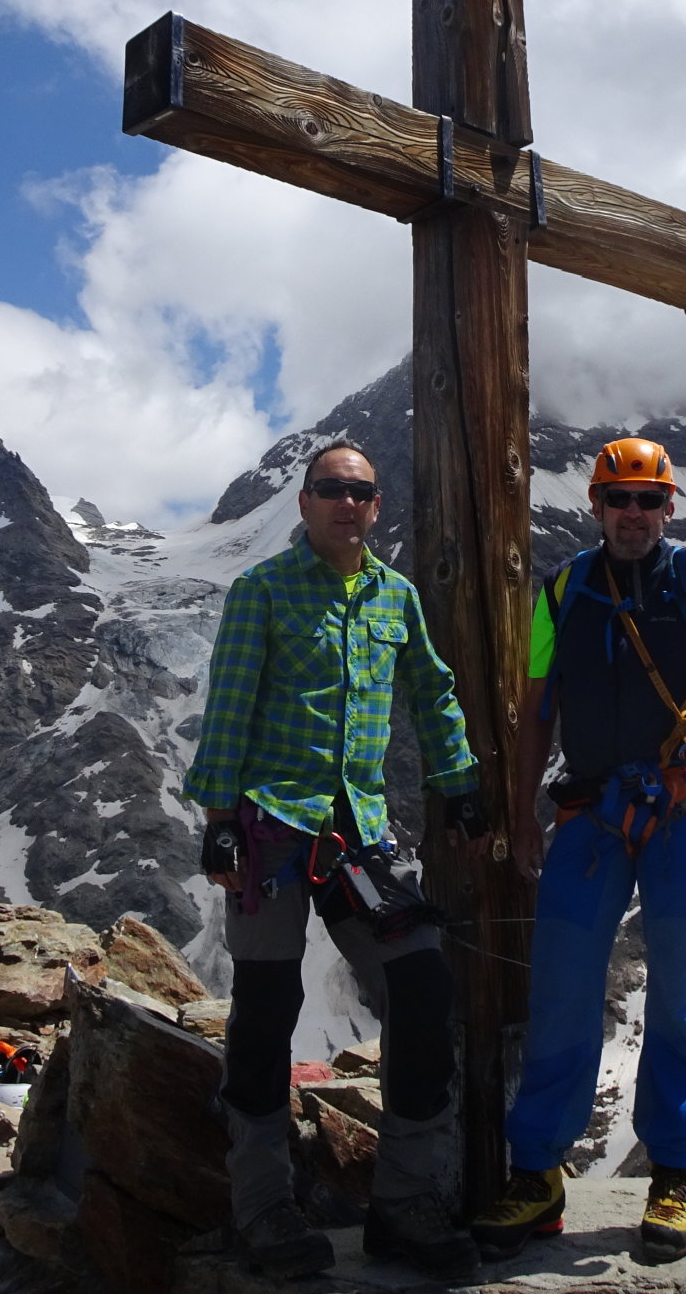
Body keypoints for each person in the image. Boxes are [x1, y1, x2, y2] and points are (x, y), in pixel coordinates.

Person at [182, 439, 492, 1282]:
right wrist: (218, 819)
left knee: (421, 986)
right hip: (272, 827)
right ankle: (263, 1207)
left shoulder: (395, 597)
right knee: (265, 1009)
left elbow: (432, 691)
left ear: (376, 506)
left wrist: (459, 781)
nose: (345, 503)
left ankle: (402, 1204)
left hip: (359, 834)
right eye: (329, 489)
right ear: (305, 503)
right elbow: (230, 706)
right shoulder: (263, 591)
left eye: (360, 492)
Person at [471, 436, 686, 1266]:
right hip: (590, 814)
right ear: (596, 506)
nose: (633, 514)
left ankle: (673, 1172)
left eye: (648, 500)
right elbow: (538, 708)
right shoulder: (564, 589)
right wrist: (523, 815)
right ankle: (538, 1173)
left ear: (669, 507)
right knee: (562, 989)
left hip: (682, 813)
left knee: (678, 993)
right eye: (619, 499)